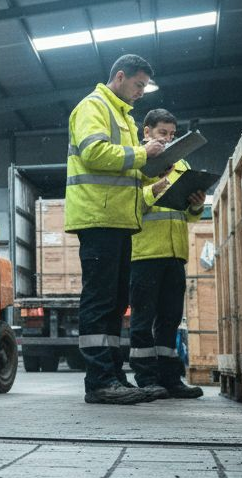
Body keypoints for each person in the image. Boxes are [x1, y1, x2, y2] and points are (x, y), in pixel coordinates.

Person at [65, 55, 166, 404]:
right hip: (98, 217)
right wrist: (142, 154)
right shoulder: (93, 106)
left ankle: (113, 375)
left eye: (144, 87)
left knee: (115, 303)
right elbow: (94, 153)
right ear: (120, 77)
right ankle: (98, 381)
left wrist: (150, 166)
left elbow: (121, 164)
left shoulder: (124, 116)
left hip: (119, 219)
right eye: (138, 85)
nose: (141, 92)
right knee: (100, 300)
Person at [129, 109, 207, 399]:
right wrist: (156, 188)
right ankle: (146, 378)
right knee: (143, 320)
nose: (168, 139)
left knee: (170, 320)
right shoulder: (137, 161)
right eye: (163, 133)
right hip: (145, 254)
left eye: (172, 135)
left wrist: (196, 204)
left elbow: (188, 217)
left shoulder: (181, 164)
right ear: (146, 132)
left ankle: (170, 379)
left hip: (175, 255)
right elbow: (129, 205)